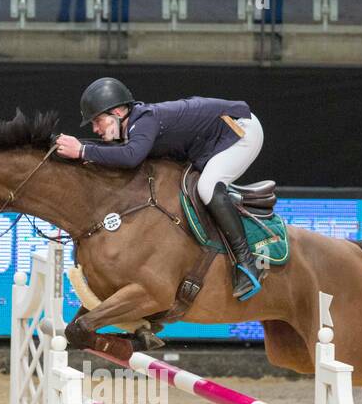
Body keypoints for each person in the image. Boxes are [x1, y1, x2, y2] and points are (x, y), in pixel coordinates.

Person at [54, 78, 266, 300]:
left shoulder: (145, 120)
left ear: (117, 112)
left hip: (241, 131)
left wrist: (81, 151)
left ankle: (247, 263)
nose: (95, 129)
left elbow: (130, 157)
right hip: (213, 140)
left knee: (207, 186)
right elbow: (119, 154)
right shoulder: (133, 125)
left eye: (98, 121)